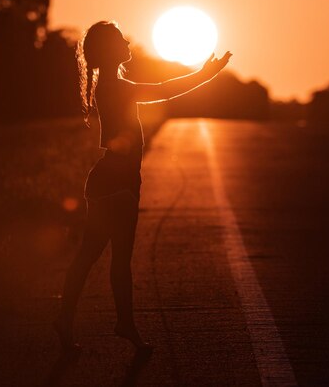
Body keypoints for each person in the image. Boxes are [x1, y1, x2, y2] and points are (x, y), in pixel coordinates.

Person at [53, 20, 232, 351]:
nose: (127, 43)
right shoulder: (115, 86)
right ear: (109, 51)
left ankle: (78, 319)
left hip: (114, 178)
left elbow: (161, 88)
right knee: (114, 260)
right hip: (117, 181)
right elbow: (164, 88)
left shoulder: (112, 84)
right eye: (120, 39)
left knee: (91, 256)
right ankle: (120, 324)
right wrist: (208, 74)